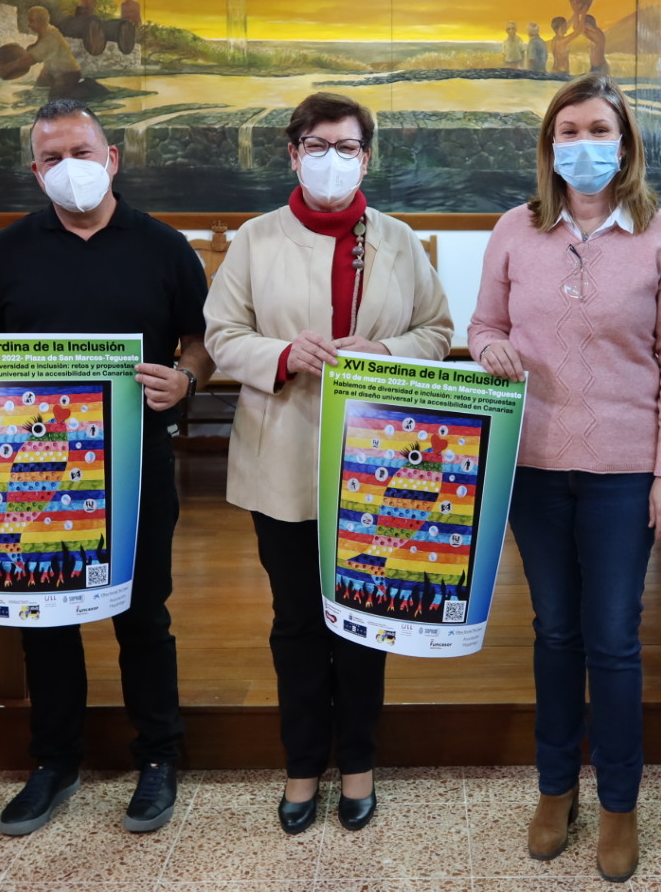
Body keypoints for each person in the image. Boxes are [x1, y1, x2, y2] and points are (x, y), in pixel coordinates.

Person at [0, 99, 214, 837]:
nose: (69, 167)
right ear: (35, 171)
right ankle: (54, 760)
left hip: (135, 462)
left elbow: (201, 341)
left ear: (112, 159)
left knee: (143, 615)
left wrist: (186, 379)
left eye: (82, 152)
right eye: (53, 157)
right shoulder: (9, 249)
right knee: (45, 618)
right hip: (35, 468)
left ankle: (159, 754)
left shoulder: (164, 246)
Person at [467, 73, 661, 883]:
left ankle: (619, 804)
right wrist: (488, 347)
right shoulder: (515, 228)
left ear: (625, 143)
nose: (583, 144)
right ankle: (555, 787)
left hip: (624, 474)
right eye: (568, 131)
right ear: (549, 146)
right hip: (534, 468)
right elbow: (483, 324)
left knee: (614, 641)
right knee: (556, 634)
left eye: (598, 129)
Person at [204, 92, 452, 836]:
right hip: (282, 456)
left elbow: (437, 330)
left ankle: (360, 762)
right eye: (318, 145)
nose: (333, 159)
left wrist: (386, 351)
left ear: (366, 158)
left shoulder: (399, 240)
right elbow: (222, 336)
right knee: (297, 623)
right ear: (294, 154)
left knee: (365, 620)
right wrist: (283, 353)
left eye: (347, 147)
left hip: (379, 467)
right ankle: (303, 763)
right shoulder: (255, 239)